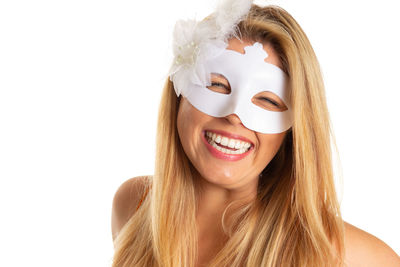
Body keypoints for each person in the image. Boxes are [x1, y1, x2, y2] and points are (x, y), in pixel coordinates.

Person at [111, 0, 400, 266]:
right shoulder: (134, 206)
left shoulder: (348, 256)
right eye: (217, 85)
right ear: (178, 95)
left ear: (293, 128)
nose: (234, 114)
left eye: (268, 100)